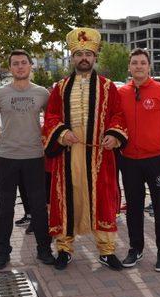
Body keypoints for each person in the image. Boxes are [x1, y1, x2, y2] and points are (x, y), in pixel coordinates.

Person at [43, 30, 128, 272]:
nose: (83, 58)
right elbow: (50, 117)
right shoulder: (59, 88)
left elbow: (118, 115)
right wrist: (61, 132)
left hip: (99, 155)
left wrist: (114, 134)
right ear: (71, 58)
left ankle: (106, 251)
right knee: (67, 199)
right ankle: (64, 249)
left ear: (94, 57)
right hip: (67, 153)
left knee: (102, 199)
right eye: (78, 54)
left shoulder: (109, 87)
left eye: (88, 54)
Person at [0, 50, 54, 270]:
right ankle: (2, 252)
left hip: (34, 157)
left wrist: (42, 135)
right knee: (5, 207)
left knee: (39, 207)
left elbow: (53, 121)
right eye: (15, 64)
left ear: (31, 66)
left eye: (24, 63)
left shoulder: (42, 93)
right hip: (8, 158)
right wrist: (3, 135)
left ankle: (44, 249)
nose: (20, 67)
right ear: (10, 68)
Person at [118, 48, 160, 272]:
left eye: (143, 62)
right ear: (129, 67)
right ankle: (136, 248)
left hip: (157, 160)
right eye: (134, 63)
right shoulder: (122, 92)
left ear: (149, 66)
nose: (139, 66)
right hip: (129, 161)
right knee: (133, 207)